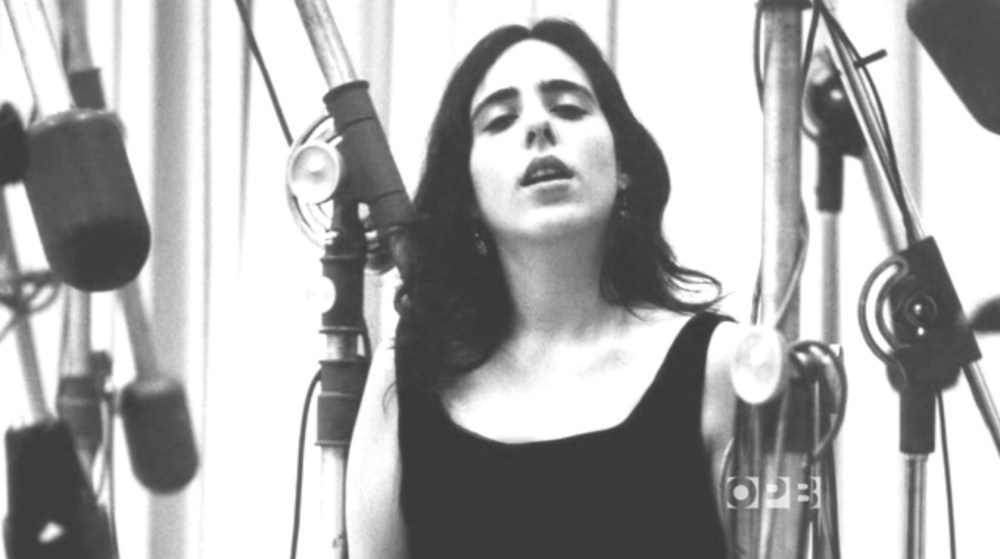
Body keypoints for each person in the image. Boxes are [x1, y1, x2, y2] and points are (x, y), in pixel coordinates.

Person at [346, 17, 745, 558]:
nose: (538, 126)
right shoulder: (406, 377)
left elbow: (787, 525)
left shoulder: (723, 366)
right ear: (468, 196)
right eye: (500, 120)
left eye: (570, 108)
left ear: (623, 166)